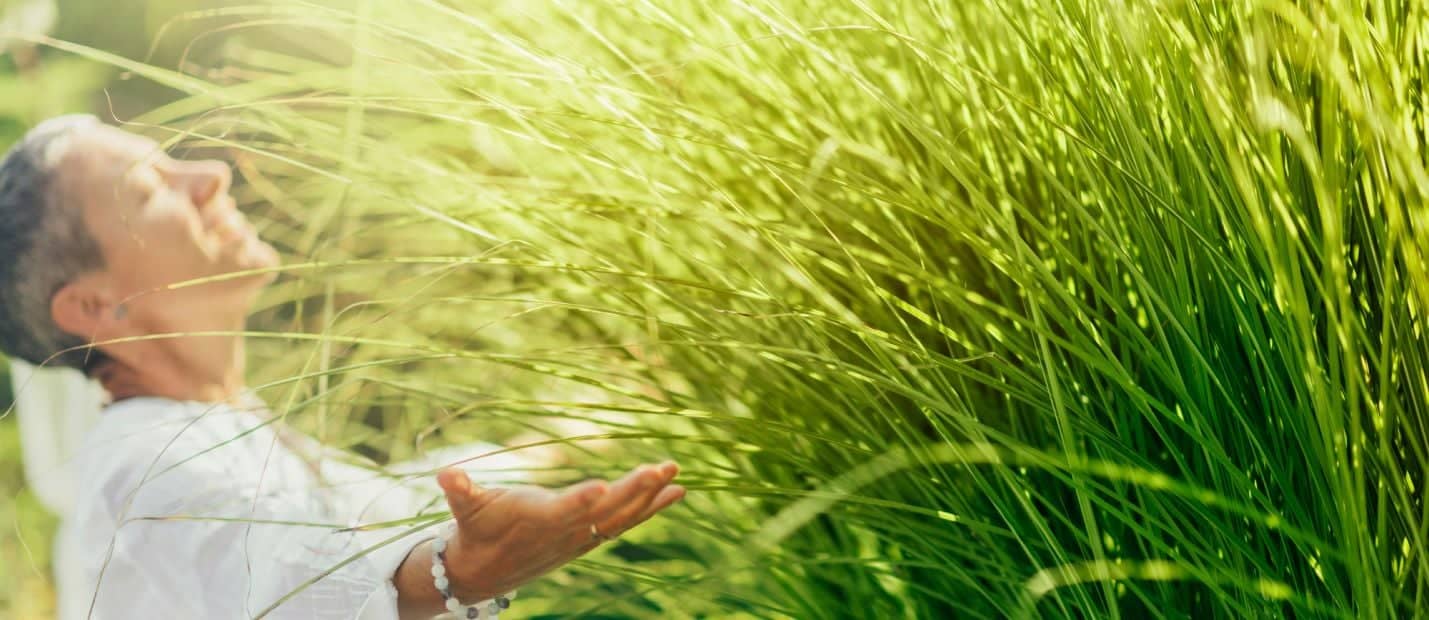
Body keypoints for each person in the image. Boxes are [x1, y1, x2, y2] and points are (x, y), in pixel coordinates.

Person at [0, 115, 686, 619]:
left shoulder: (219, 431)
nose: (210, 175)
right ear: (93, 306)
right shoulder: (142, 464)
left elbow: (387, 506)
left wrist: (568, 441)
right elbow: (286, 582)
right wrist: (452, 574)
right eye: (150, 190)